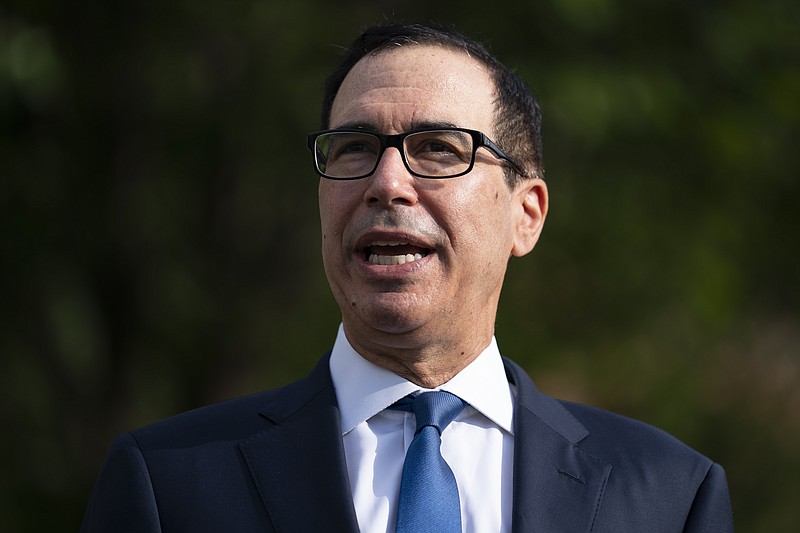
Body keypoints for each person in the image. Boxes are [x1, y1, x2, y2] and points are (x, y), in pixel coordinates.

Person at [80, 23, 734, 532]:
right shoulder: (169, 481)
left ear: (525, 214)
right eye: (356, 147)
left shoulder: (669, 493)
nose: (387, 182)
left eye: (439, 148)